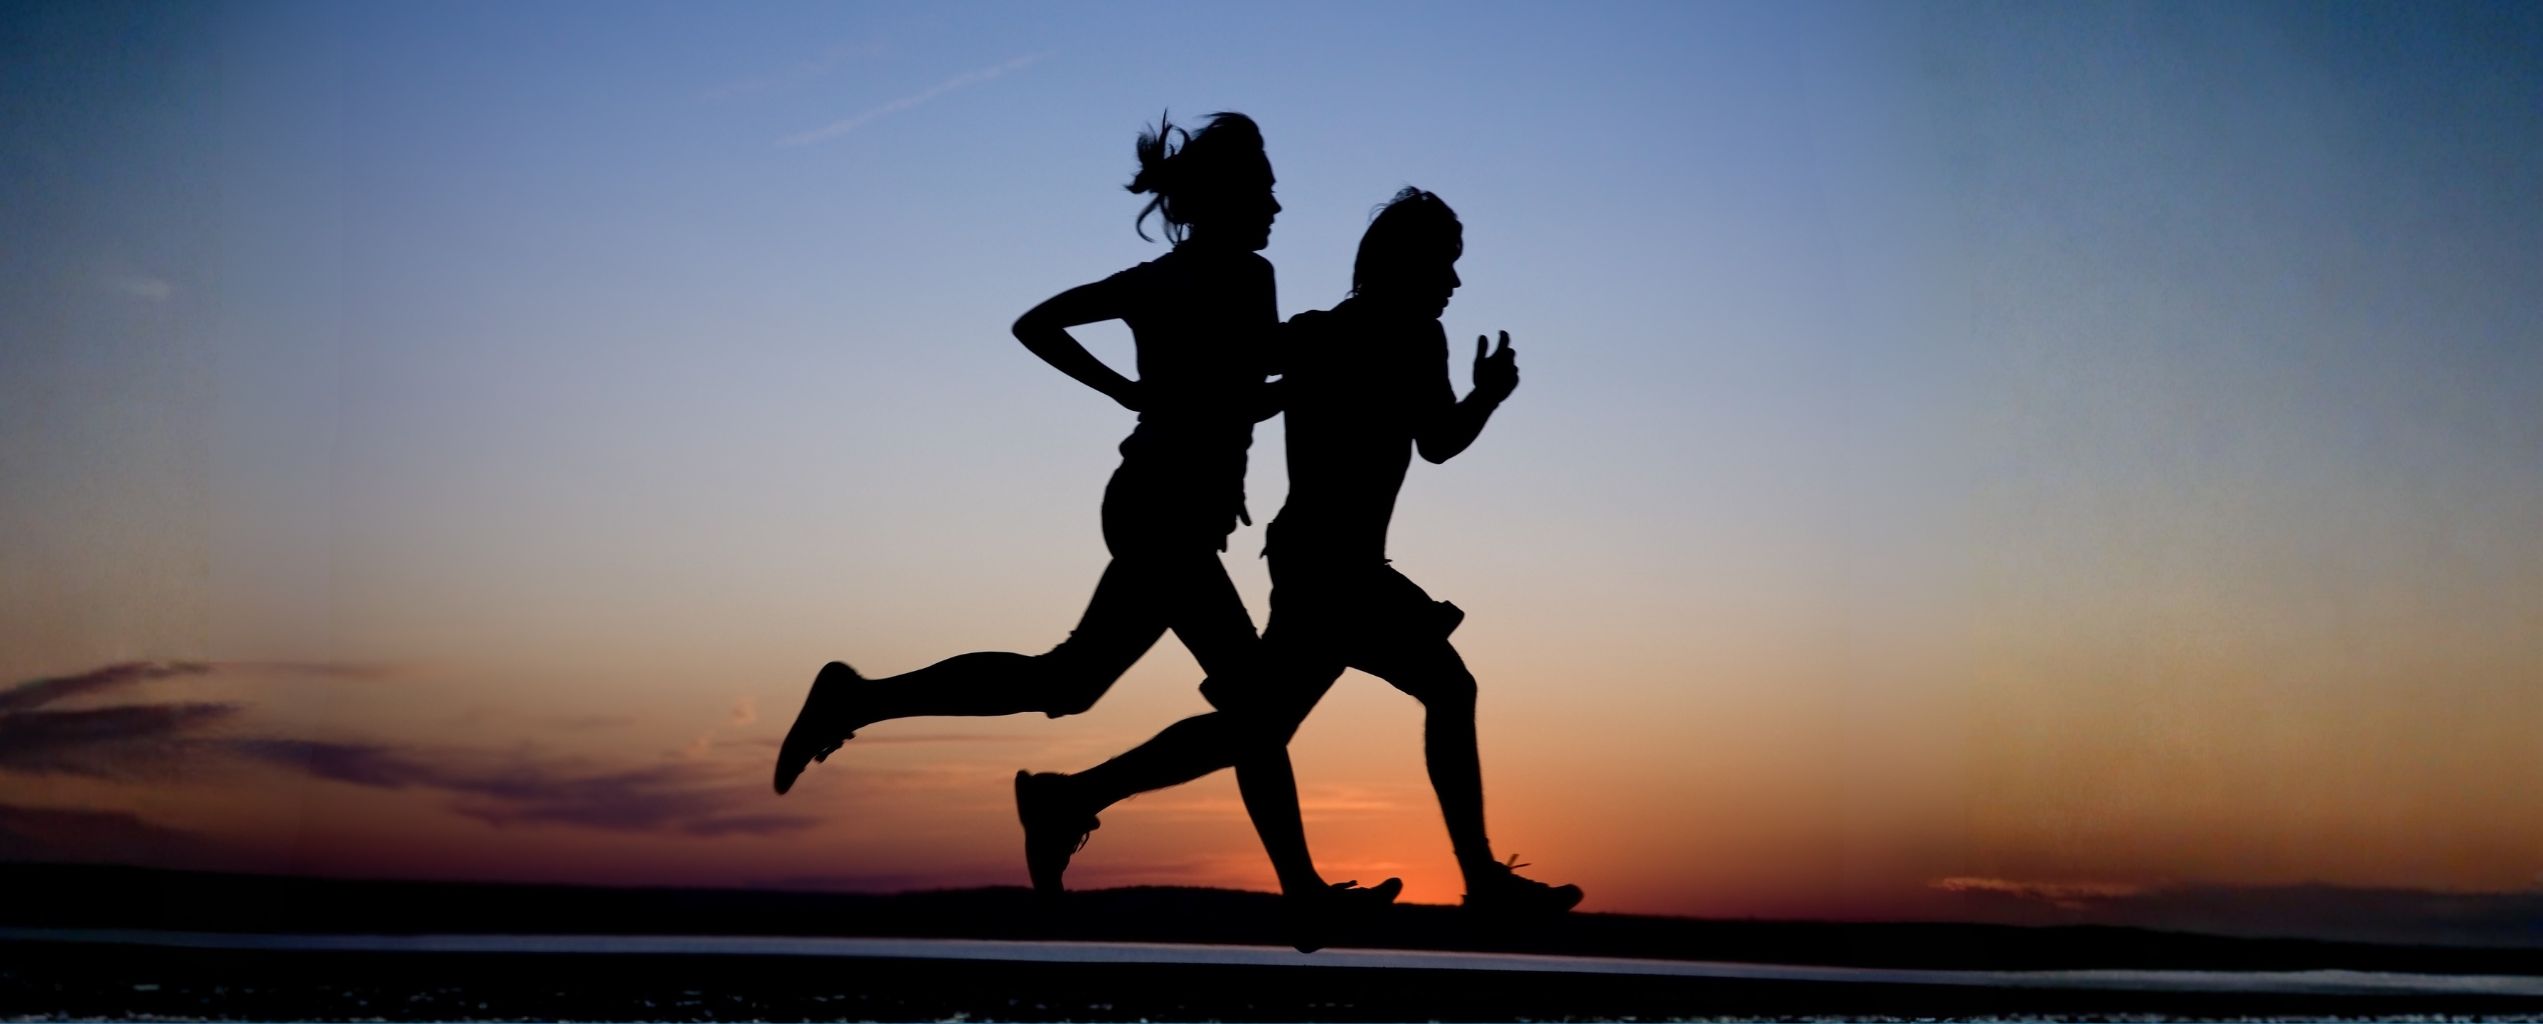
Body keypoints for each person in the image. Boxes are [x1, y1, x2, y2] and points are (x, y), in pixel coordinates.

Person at [1014, 188, 1580, 945]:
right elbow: (1439, 441)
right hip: (1333, 570)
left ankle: (1073, 795)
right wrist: (1487, 397)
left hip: (1315, 561)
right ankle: (1479, 880)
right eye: (1445, 264)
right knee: (1442, 687)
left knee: (1254, 727)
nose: (1453, 282)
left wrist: (1481, 394)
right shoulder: (1398, 337)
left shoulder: (1327, 334)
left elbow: (1417, 434)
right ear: (1406, 265)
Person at [772, 112, 1291, 796]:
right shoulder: (1243, 278)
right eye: (1264, 192)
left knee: (1070, 682)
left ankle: (861, 701)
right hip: (1165, 511)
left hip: (1161, 507)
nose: (1276, 207)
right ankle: (1075, 803)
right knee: (1255, 706)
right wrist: (1133, 390)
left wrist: (1132, 390)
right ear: (1227, 198)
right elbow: (1241, 385)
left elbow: (1226, 392)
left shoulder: (1160, 281)